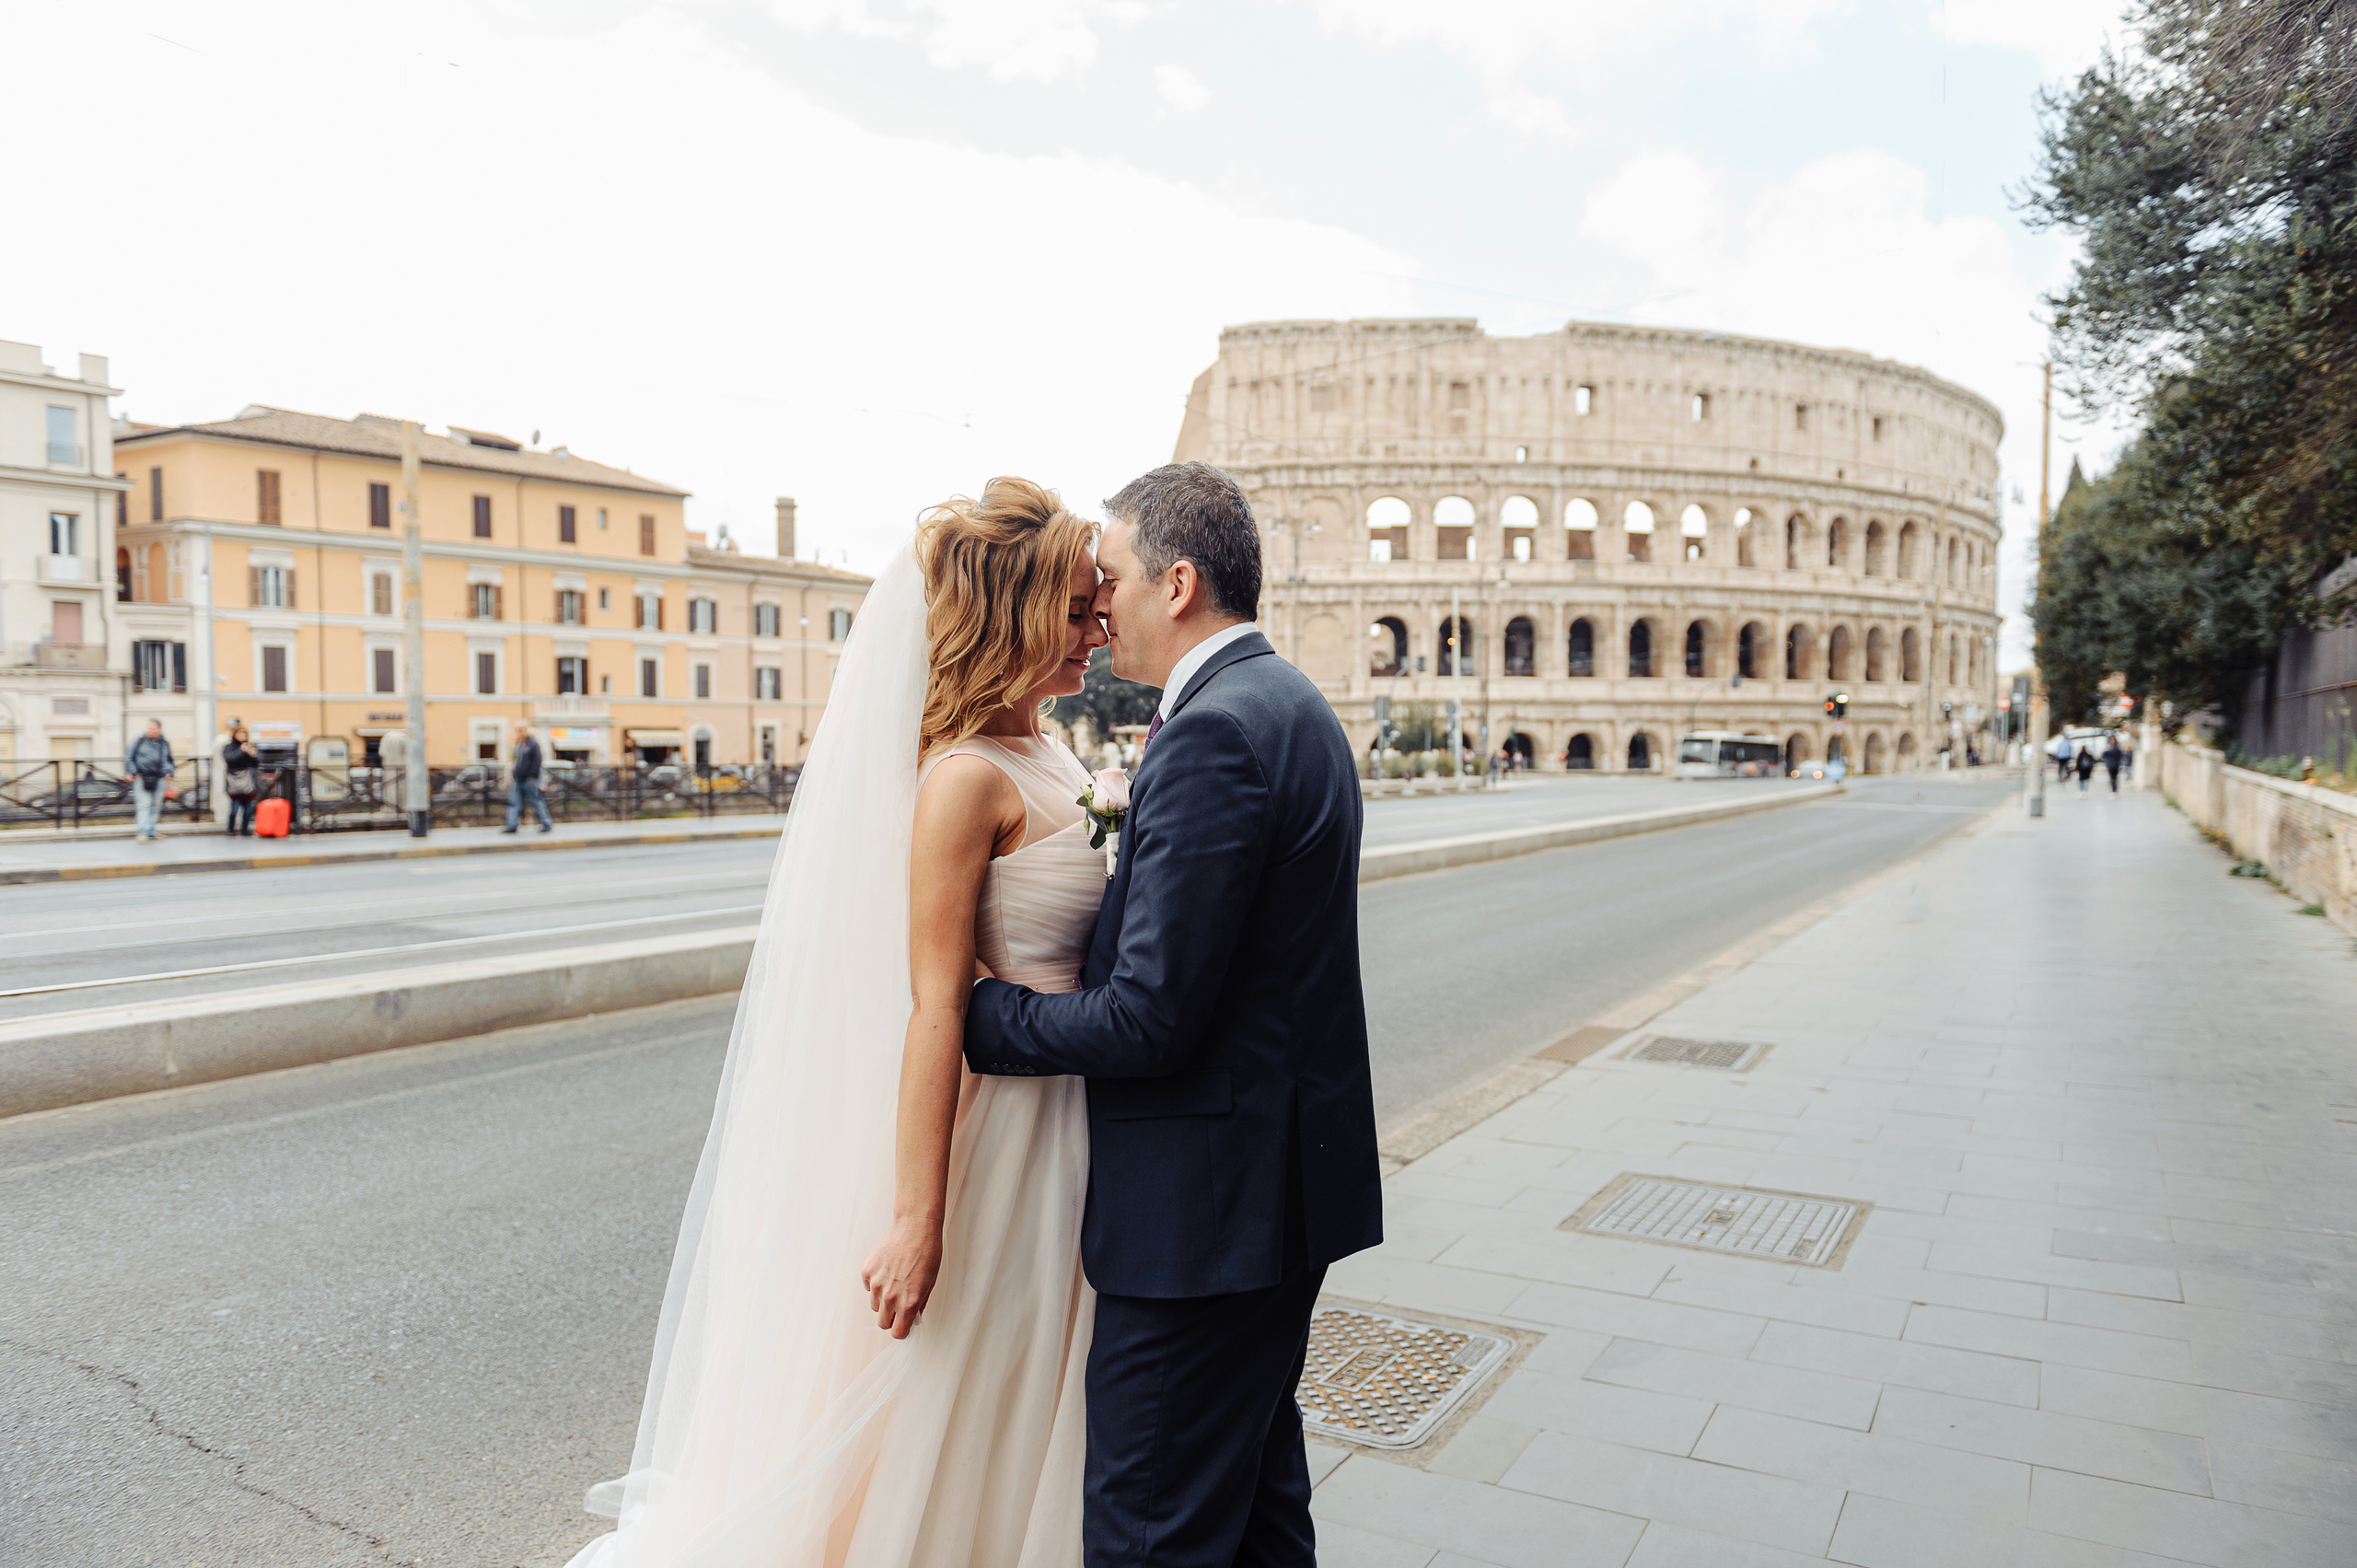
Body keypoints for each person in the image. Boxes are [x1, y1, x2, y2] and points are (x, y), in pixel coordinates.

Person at [568, 478, 1115, 1568]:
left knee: (1047, 1388)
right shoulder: (963, 777)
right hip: (1007, 1130)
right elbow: (933, 1004)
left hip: (1082, 1110)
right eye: (1073, 609)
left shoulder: (1054, 751)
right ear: (1006, 616)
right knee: (973, 1383)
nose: (1098, 630)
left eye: (1098, 605)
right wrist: (920, 1214)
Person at [966, 461, 1383, 1567]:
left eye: (1110, 577)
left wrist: (983, 1016)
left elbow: (1149, 1019)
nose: (1097, 603)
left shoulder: (1211, 732)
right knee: (1253, 1513)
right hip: (1276, 1199)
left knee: (1151, 1530)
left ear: (1179, 582)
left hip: (1200, 1225)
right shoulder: (1288, 703)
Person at [123, 719, 176, 842]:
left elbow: (170, 760)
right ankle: (142, 831)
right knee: (144, 804)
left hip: (160, 777)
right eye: (148, 728)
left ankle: (152, 831)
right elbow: (128, 757)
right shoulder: (139, 740)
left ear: (159, 729)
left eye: (152, 728)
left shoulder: (164, 743)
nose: (149, 730)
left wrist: (170, 771)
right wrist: (134, 772)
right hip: (142, 777)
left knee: (156, 805)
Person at [504, 723, 552, 834]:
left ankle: (546, 823)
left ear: (527, 730)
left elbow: (537, 760)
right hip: (518, 778)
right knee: (513, 802)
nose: (520, 732)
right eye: (518, 730)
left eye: (522, 730)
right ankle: (511, 825)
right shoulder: (519, 744)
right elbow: (515, 760)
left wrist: (532, 775)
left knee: (536, 801)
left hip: (529, 779)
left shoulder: (533, 744)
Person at [221, 725, 259, 836]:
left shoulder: (249, 746)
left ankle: (245, 829)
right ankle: (230, 829)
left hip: (247, 780)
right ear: (234, 735)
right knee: (235, 807)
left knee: (248, 808)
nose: (243, 736)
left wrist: (253, 755)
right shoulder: (229, 747)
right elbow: (230, 760)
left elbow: (256, 763)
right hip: (234, 781)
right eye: (240, 733)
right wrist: (242, 750)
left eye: (245, 733)